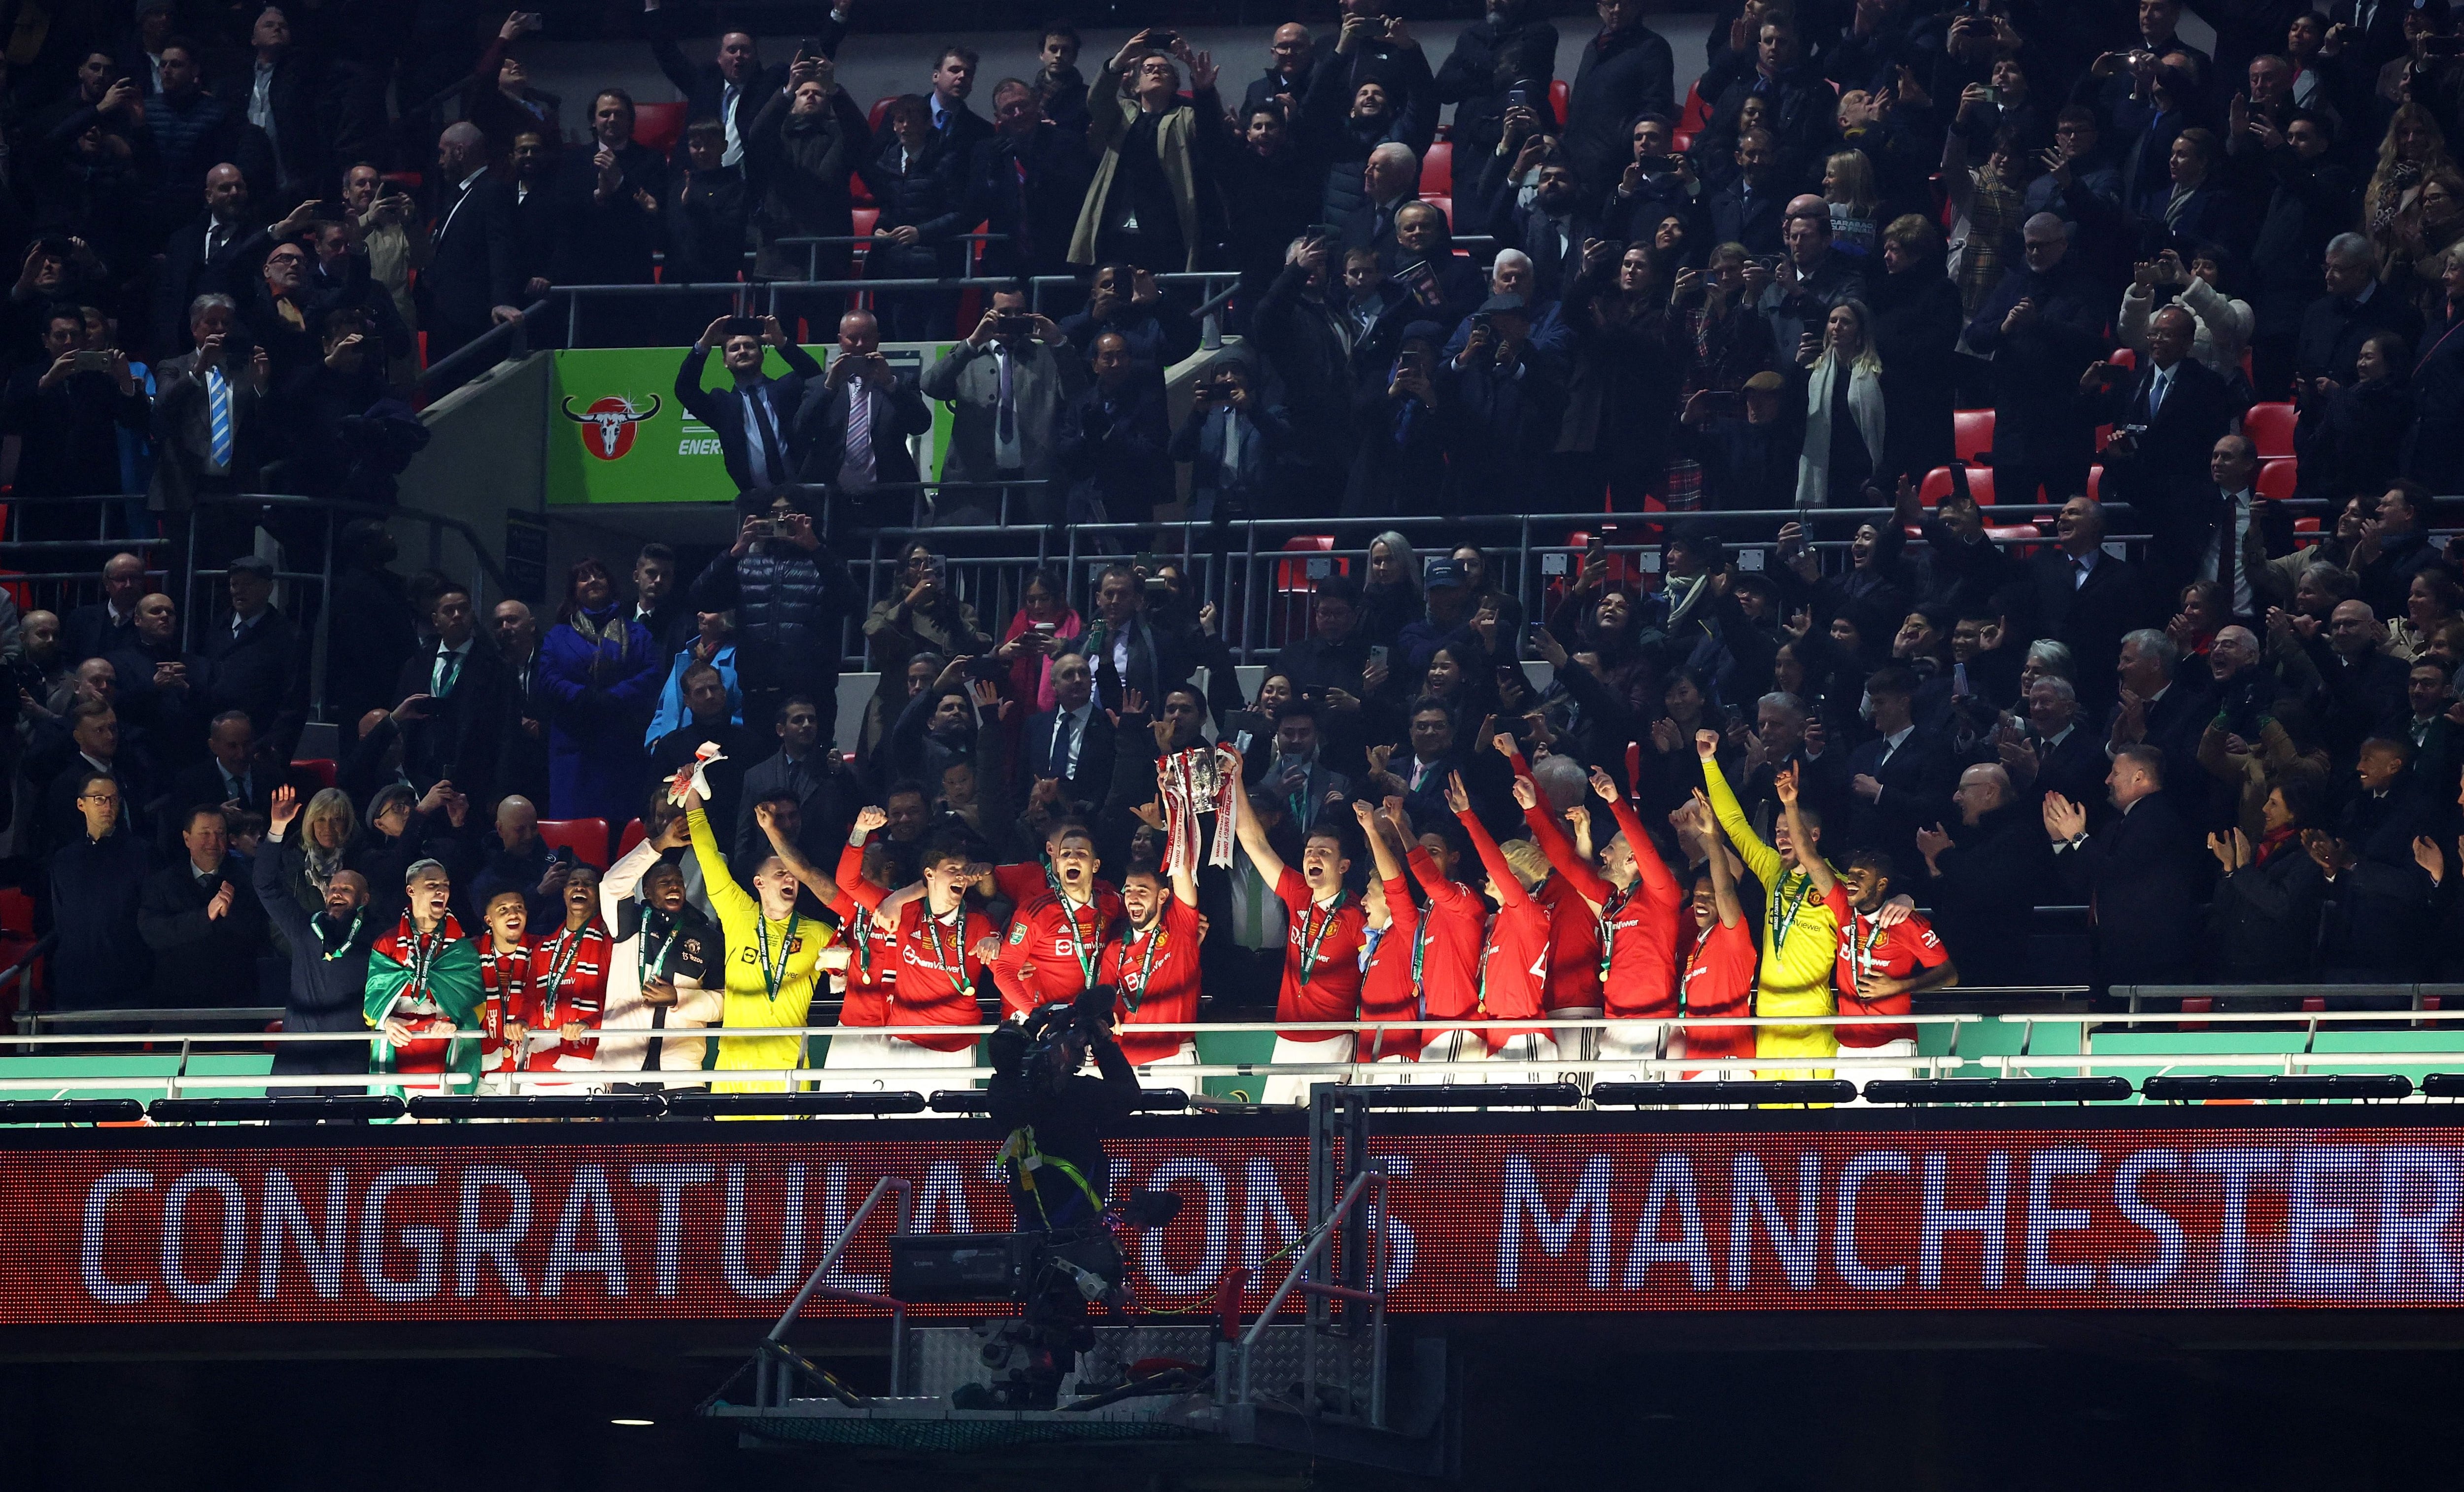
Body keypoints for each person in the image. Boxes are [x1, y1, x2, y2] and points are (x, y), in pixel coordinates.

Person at [679, 777, 839, 1092]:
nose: (789, 879)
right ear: (759, 883)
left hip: (789, 1071)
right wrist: (693, 795)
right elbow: (709, 858)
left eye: (794, 875)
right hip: (732, 1070)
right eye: (780, 874)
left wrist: (842, 970)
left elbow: (858, 966)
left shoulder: (821, 933)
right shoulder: (739, 914)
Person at [1698, 728, 1839, 1074]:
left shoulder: (1835, 884)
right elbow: (1734, 824)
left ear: (1814, 836)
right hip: (1768, 1018)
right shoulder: (1772, 870)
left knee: (1816, 1122)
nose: (1780, 838)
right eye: (1777, 832)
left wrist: (1904, 897)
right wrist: (1708, 761)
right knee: (1771, 1123)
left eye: (1788, 830)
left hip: (1812, 1020)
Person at [1228, 751, 1364, 1105]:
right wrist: (1238, 781)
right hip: (1288, 1037)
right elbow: (1253, 840)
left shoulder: (1358, 915)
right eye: (1309, 851)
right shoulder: (1297, 893)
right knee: (1278, 1131)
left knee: (1328, 1136)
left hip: (1332, 1039)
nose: (1313, 858)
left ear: (1345, 865)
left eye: (1324, 852)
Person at [689, 487, 857, 736]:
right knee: (759, 771)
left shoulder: (823, 563)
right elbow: (699, 599)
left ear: (805, 518)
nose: (780, 521)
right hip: (759, 693)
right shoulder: (745, 565)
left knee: (812, 771)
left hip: (811, 696)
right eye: (773, 514)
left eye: (789, 514)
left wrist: (815, 548)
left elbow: (851, 602)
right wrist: (735, 551)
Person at [2044, 746, 2209, 993]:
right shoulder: (2120, 824)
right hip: (2117, 956)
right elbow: (2089, 880)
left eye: (2115, 773)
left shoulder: (2156, 818)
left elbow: (2118, 875)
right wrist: (2061, 840)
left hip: (2151, 962)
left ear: (2139, 777)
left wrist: (2078, 836)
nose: (2108, 780)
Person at [921, 285, 1082, 525]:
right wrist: (974, 340)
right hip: (975, 484)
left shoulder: (1046, 356)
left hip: (1033, 482)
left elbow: (1078, 392)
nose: (1013, 320)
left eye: (1020, 313)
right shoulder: (968, 356)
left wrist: (1058, 342)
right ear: (989, 314)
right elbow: (931, 385)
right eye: (1005, 313)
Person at [1072, 33, 1219, 274]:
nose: (1156, 72)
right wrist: (1121, 59)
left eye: (1165, 70)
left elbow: (1212, 134)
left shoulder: (1187, 115)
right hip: (1117, 225)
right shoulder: (1123, 113)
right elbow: (1097, 100)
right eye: (1148, 68)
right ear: (1136, 85)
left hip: (1166, 227)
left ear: (1174, 84)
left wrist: (1200, 84)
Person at [257, 784, 376, 1077]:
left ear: (364, 899)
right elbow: (267, 887)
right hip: (298, 1061)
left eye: (346, 890)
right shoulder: (305, 931)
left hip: (349, 1060)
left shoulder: (376, 939)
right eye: (333, 889)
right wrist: (276, 830)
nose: (336, 893)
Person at [593, 813, 722, 1082]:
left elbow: (724, 1003)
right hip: (623, 1067)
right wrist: (658, 845)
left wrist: (679, 998)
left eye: (678, 882)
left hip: (683, 1071)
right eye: (664, 883)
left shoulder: (707, 935)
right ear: (648, 893)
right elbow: (610, 886)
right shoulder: (629, 923)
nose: (674, 886)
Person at [538, 558, 663, 826]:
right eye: (584, 578)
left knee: (620, 827)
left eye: (599, 576)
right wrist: (581, 695)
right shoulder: (557, 635)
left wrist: (615, 695)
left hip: (621, 745)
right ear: (574, 590)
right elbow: (548, 677)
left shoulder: (637, 633)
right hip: (573, 748)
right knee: (574, 830)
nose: (593, 581)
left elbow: (652, 674)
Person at [1912, 763, 2052, 989]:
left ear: (1989, 791)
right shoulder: (1973, 835)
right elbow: (1950, 903)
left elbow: (1987, 889)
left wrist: (1943, 855)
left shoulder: (2020, 836)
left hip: (1998, 975)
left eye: (1963, 790)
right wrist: (1936, 871)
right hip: (1960, 969)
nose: (1956, 797)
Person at [797, 308, 931, 529]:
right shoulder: (818, 386)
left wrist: (890, 384)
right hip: (831, 505)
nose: (860, 345)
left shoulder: (901, 383)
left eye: (867, 337)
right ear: (841, 341)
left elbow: (921, 424)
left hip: (890, 504)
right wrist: (830, 386)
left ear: (878, 340)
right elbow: (801, 430)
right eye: (852, 338)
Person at [363, 858, 485, 1091]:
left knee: (438, 1125)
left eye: (446, 885)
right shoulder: (387, 944)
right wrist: (386, 1021)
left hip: (446, 1059)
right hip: (397, 1057)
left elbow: (477, 1006)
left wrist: (454, 1024)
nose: (442, 891)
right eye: (432, 885)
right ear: (411, 891)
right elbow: (372, 1007)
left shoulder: (460, 948)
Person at [137, 802, 267, 1010]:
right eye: (205, 834)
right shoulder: (163, 882)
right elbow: (152, 933)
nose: (213, 842)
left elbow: (257, 933)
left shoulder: (246, 880)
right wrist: (205, 916)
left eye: (220, 834)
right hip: (177, 1004)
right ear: (187, 838)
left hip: (234, 1003)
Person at [674, 314, 822, 495]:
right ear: (725, 362)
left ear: (761, 355)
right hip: (755, 499)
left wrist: (781, 342)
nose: (742, 351)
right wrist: (706, 342)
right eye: (734, 348)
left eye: (750, 346)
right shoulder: (722, 405)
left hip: (802, 492)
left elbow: (814, 376)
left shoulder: (786, 388)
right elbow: (685, 389)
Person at [991, 818, 1123, 1020]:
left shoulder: (1110, 902)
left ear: (1095, 865)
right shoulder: (1036, 911)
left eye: (1081, 854)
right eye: (1065, 854)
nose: (1072, 859)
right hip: (1039, 1017)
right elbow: (1004, 969)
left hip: (1086, 1018)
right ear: (1059, 864)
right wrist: (1036, 1015)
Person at [419, 122, 523, 364]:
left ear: (459, 152)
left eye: (443, 153)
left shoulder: (492, 191)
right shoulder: (460, 193)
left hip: (469, 323)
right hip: (445, 319)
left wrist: (502, 301)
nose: (440, 161)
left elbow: (502, 247)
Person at [49, 772, 151, 1011]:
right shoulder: (63, 860)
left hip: (127, 984)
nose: (108, 806)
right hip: (74, 985)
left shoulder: (144, 855)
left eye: (114, 799)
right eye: (99, 799)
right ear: (81, 804)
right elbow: (61, 922)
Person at [200, 555, 305, 760]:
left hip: (259, 748)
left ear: (268, 589)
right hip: (217, 748)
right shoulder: (217, 629)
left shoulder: (288, 636)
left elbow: (294, 701)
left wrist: (274, 749)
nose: (239, 591)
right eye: (234, 584)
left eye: (247, 584)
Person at [1565, 0, 1676, 194]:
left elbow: (1656, 109)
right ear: (1599, 7)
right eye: (1610, 3)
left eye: (1624, 3)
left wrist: (1619, 146)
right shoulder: (1592, 48)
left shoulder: (1652, 48)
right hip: (1578, 165)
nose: (1617, 10)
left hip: (1617, 168)